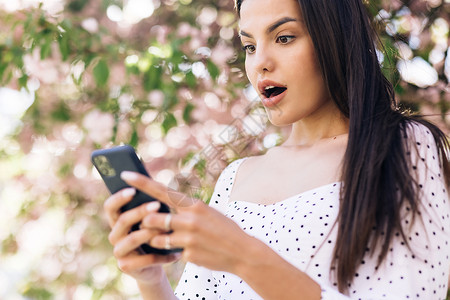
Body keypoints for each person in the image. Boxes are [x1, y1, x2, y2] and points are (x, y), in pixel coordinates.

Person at [103, 0, 450, 298]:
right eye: (250, 46)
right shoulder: (234, 178)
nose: (260, 63)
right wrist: (150, 280)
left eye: (284, 38)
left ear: (335, 38)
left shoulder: (404, 146)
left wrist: (244, 256)